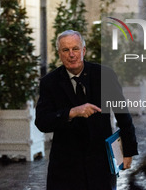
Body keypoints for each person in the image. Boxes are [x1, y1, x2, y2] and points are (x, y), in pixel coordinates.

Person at [35, 30, 138, 190]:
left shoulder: (104, 75)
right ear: (59, 54)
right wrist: (71, 112)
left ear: (83, 50)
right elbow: (42, 122)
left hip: (100, 161)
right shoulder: (49, 82)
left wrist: (128, 151)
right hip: (65, 165)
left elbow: (123, 114)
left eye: (75, 49)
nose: (71, 54)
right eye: (65, 50)